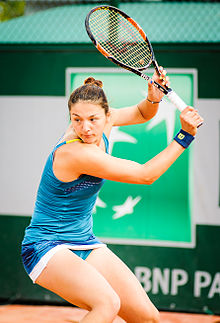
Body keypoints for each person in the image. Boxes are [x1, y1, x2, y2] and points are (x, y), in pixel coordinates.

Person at [21, 67, 203, 323]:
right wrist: (185, 136)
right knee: (107, 304)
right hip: (46, 246)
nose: (85, 128)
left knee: (149, 318)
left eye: (93, 119)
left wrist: (154, 97)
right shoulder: (76, 153)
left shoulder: (107, 122)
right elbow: (145, 175)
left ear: (107, 115)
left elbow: (142, 113)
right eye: (76, 119)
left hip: (83, 241)